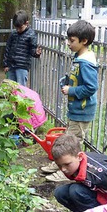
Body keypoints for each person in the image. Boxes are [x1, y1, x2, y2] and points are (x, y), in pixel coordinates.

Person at [41, 20, 98, 182]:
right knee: (69, 137)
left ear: (84, 41)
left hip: (82, 110)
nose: (68, 44)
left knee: (73, 142)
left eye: (72, 41)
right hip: (76, 108)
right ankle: (61, 163)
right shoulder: (79, 58)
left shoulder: (86, 63)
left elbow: (90, 88)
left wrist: (71, 90)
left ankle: (68, 172)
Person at [49, 133, 107, 212]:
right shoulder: (75, 165)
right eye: (59, 165)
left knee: (76, 191)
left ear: (80, 157)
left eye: (67, 164)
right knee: (60, 193)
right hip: (101, 192)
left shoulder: (101, 174)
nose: (63, 169)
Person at [3, 10, 42, 86]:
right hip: (11, 66)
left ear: (26, 23)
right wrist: (5, 64)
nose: (18, 30)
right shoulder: (13, 34)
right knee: (10, 88)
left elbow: (32, 50)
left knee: (20, 88)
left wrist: (36, 53)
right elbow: (7, 48)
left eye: (20, 28)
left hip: (22, 66)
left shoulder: (31, 34)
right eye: (16, 27)